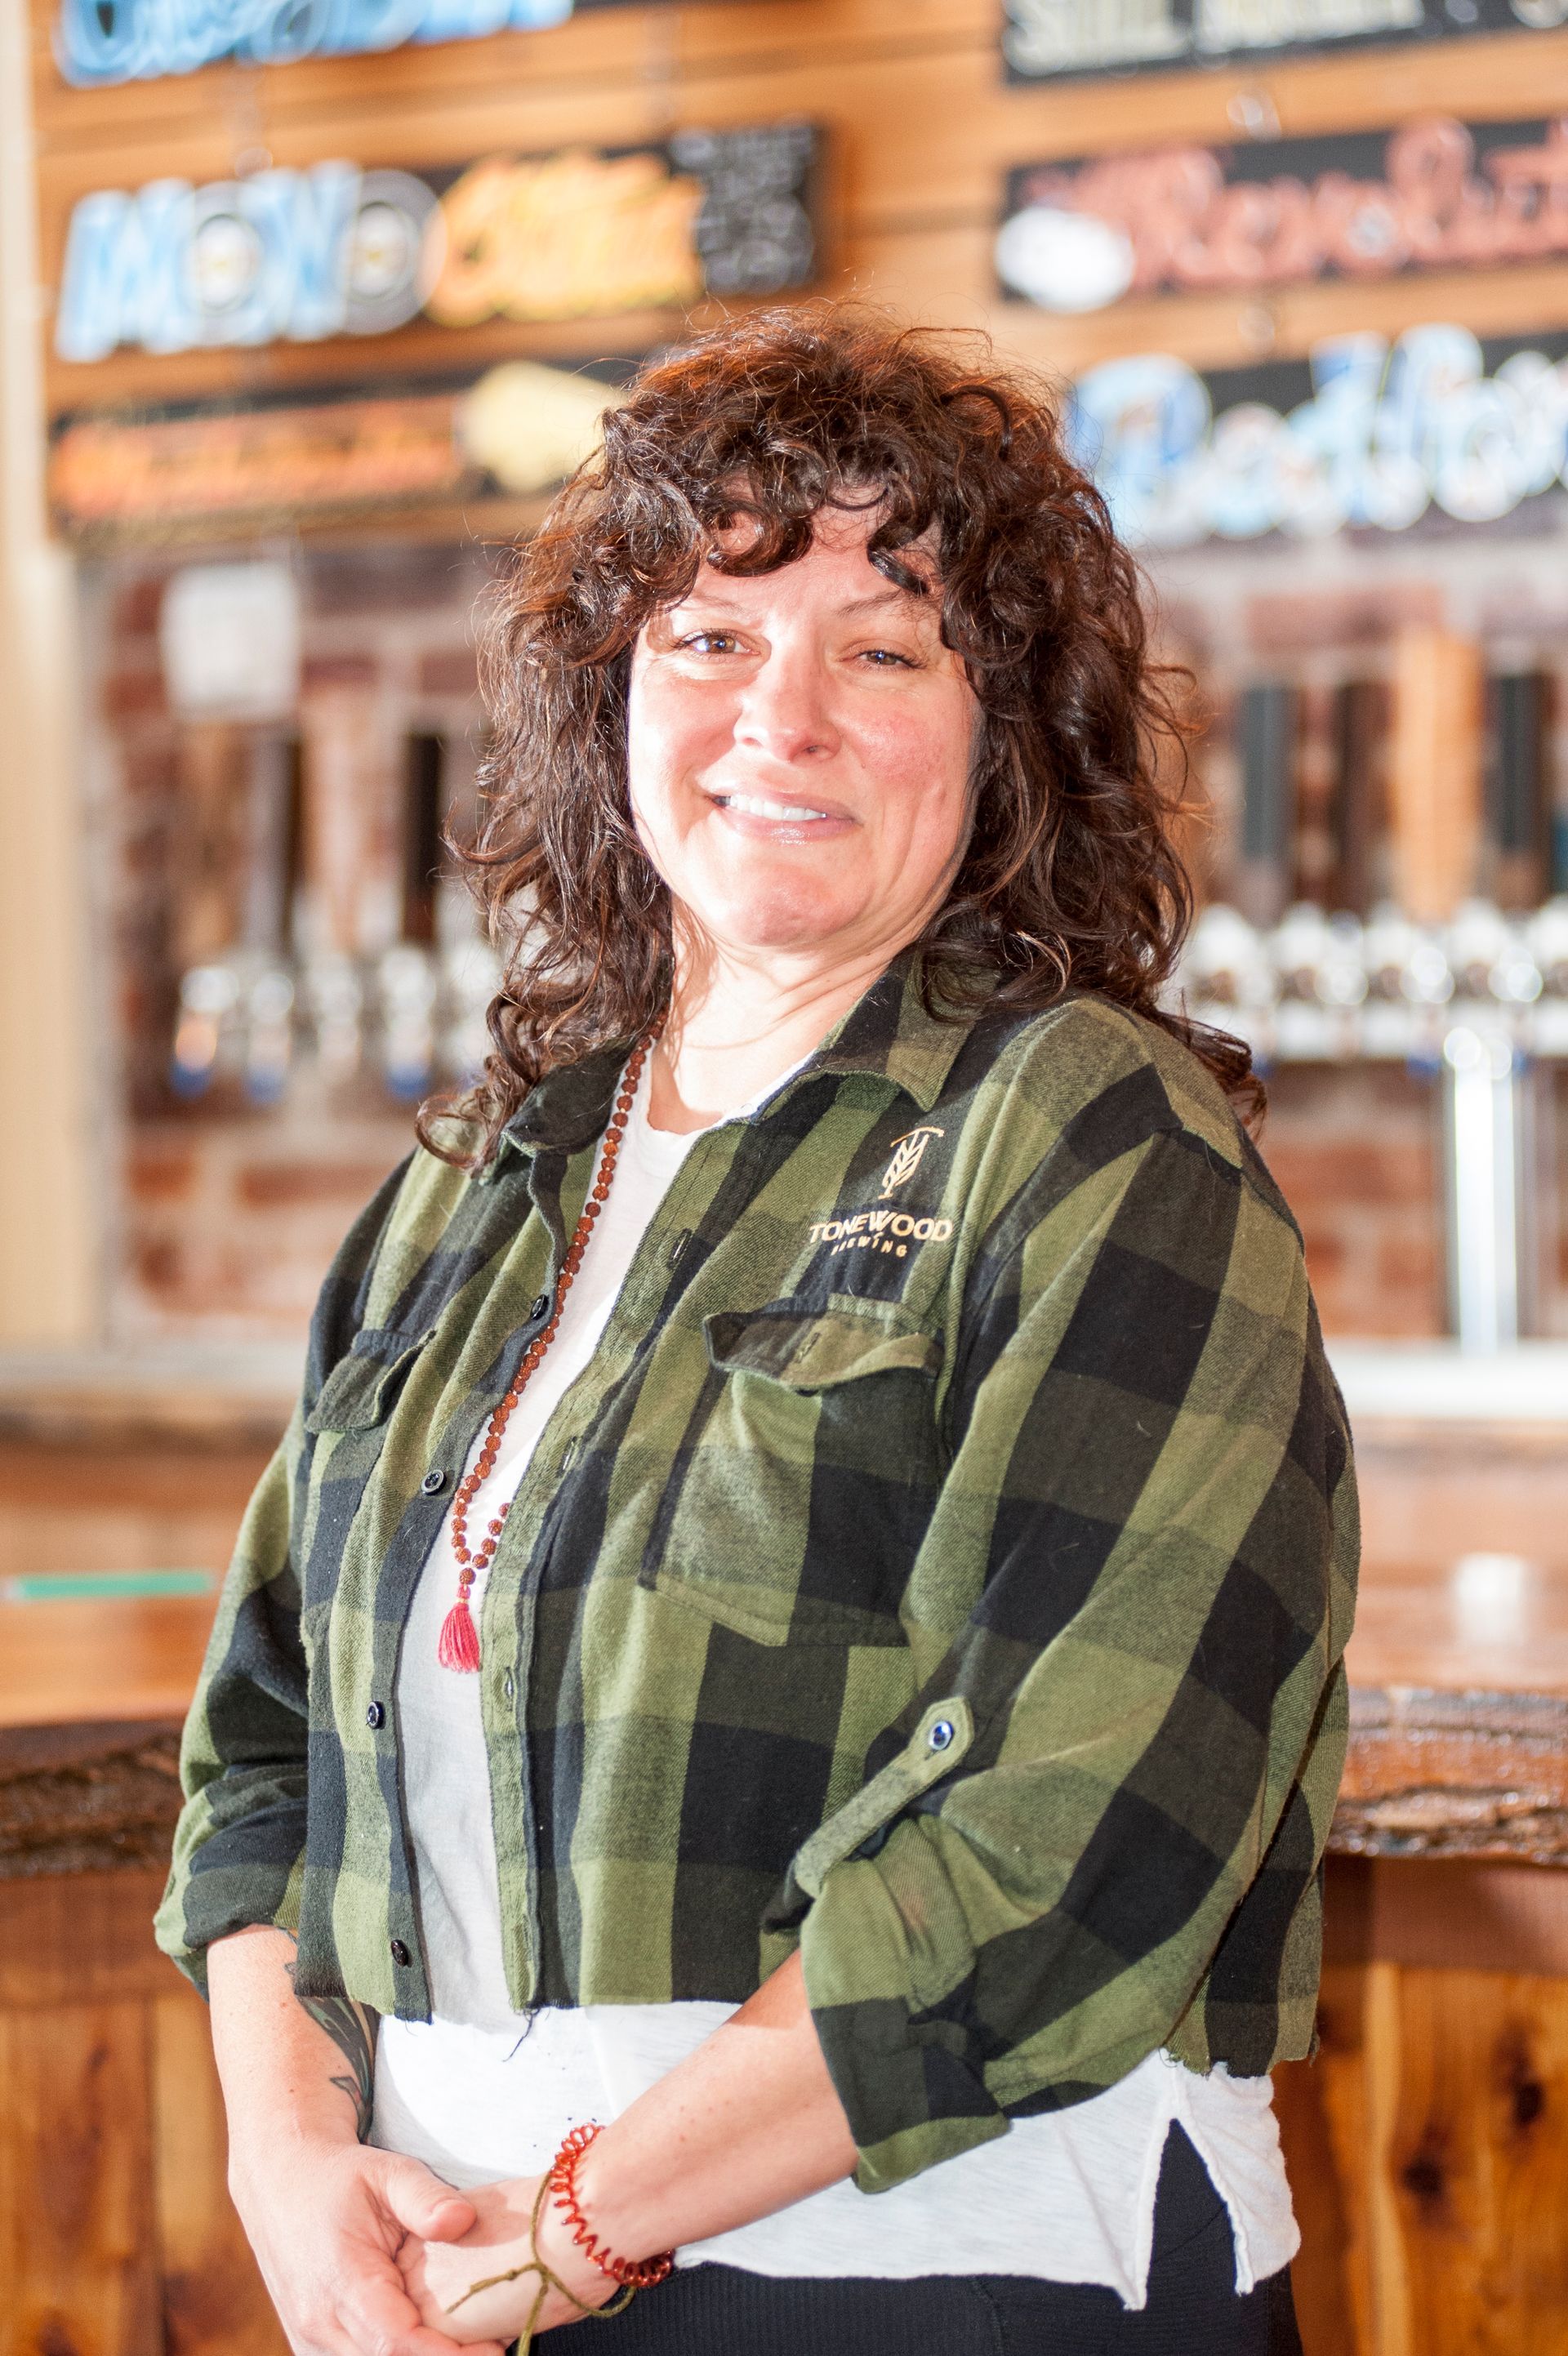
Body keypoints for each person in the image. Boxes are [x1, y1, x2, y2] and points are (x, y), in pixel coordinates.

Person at [157, 305, 1354, 2356]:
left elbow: (1070, 1836)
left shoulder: (1084, 1139)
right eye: (708, 639)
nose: (776, 719)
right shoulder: (489, 1172)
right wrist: (288, 2169)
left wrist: (574, 2233)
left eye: (881, 651)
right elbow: (264, 1740)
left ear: (1007, 740)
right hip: (449, 2280)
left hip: (935, 2281)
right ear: (611, 699)